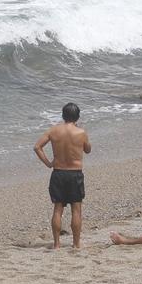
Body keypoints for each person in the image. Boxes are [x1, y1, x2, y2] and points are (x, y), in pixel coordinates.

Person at [34, 102, 91, 250]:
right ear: (77, 117)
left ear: (63, 115)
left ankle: (57, 244)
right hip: (75, 173)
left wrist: (48, 163)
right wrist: (82, 134)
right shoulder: (81, 132)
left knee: (58, 208)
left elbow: (37, 147)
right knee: (76, 209)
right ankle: (76, 243)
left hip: (58, 172)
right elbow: (88, 150)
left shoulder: (53, 131)